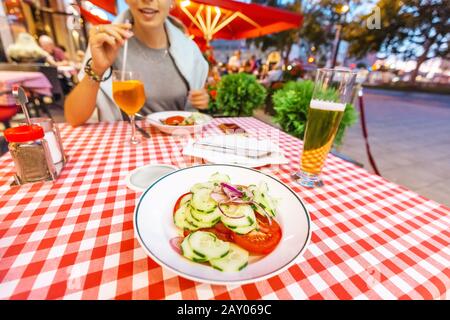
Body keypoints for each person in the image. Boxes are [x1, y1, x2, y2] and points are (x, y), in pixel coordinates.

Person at [64, 0, 209, 126]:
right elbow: (74, 118)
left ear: (172, 2)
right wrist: (97, 69)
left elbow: (193, 111)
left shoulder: (190, 51)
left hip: (175, 145)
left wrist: (203, 100)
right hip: (127, 146)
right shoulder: (108, 42)